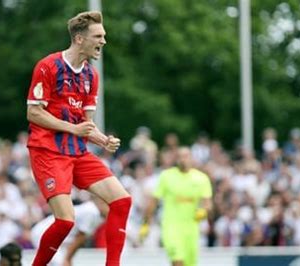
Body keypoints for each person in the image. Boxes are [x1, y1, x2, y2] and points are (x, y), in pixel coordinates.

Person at [26, 11, 132, 266]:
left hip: (77, 152)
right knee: (65, 221)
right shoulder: (48, 66)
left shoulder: (91, 76)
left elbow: (86, 124)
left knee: (122, 200)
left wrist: (103, 140)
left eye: (104, 36)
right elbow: (33, 112)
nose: (104, 41)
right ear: (79, 39)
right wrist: (73, 129)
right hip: (48, 151)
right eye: (98, 36)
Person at [140, 147, 213, 266]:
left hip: (192, 229)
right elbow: (153, 202)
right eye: (180, 157)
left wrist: (204, 211)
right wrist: (145, 224)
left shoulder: (201, 178)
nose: (183, 160)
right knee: (178, 261)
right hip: (171, 227)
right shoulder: (166, 176)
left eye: (186, 156)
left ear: (191, 158)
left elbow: (208, 203)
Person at [31, 198, 108, 266]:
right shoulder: (92, 212)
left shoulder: (96, 214)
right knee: (59, 263)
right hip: (44, 232)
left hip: (56, 238)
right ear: (102, 203)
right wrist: (67, 259)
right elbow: (79, 239)